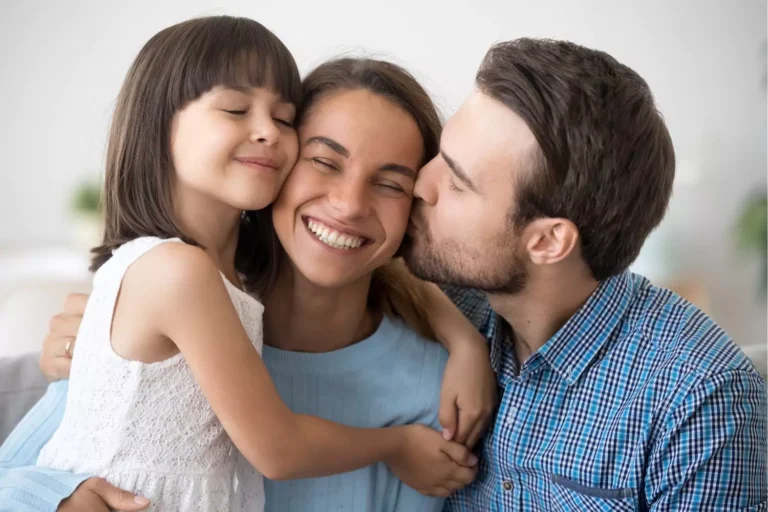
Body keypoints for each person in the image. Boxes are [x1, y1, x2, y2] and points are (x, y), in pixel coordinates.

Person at [0, 17, 496, 512]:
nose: (347, 204)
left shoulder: (436, 392)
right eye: (324, 161)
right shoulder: (174, 301)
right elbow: (20, 473)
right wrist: (57, 500)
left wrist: (463, 338)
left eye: (391, 184)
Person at [401, 38, 768, 510]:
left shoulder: (698, 397)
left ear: (549, 242)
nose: (420, 184)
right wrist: (464, 340)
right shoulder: (451, 303)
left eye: (456, 182)